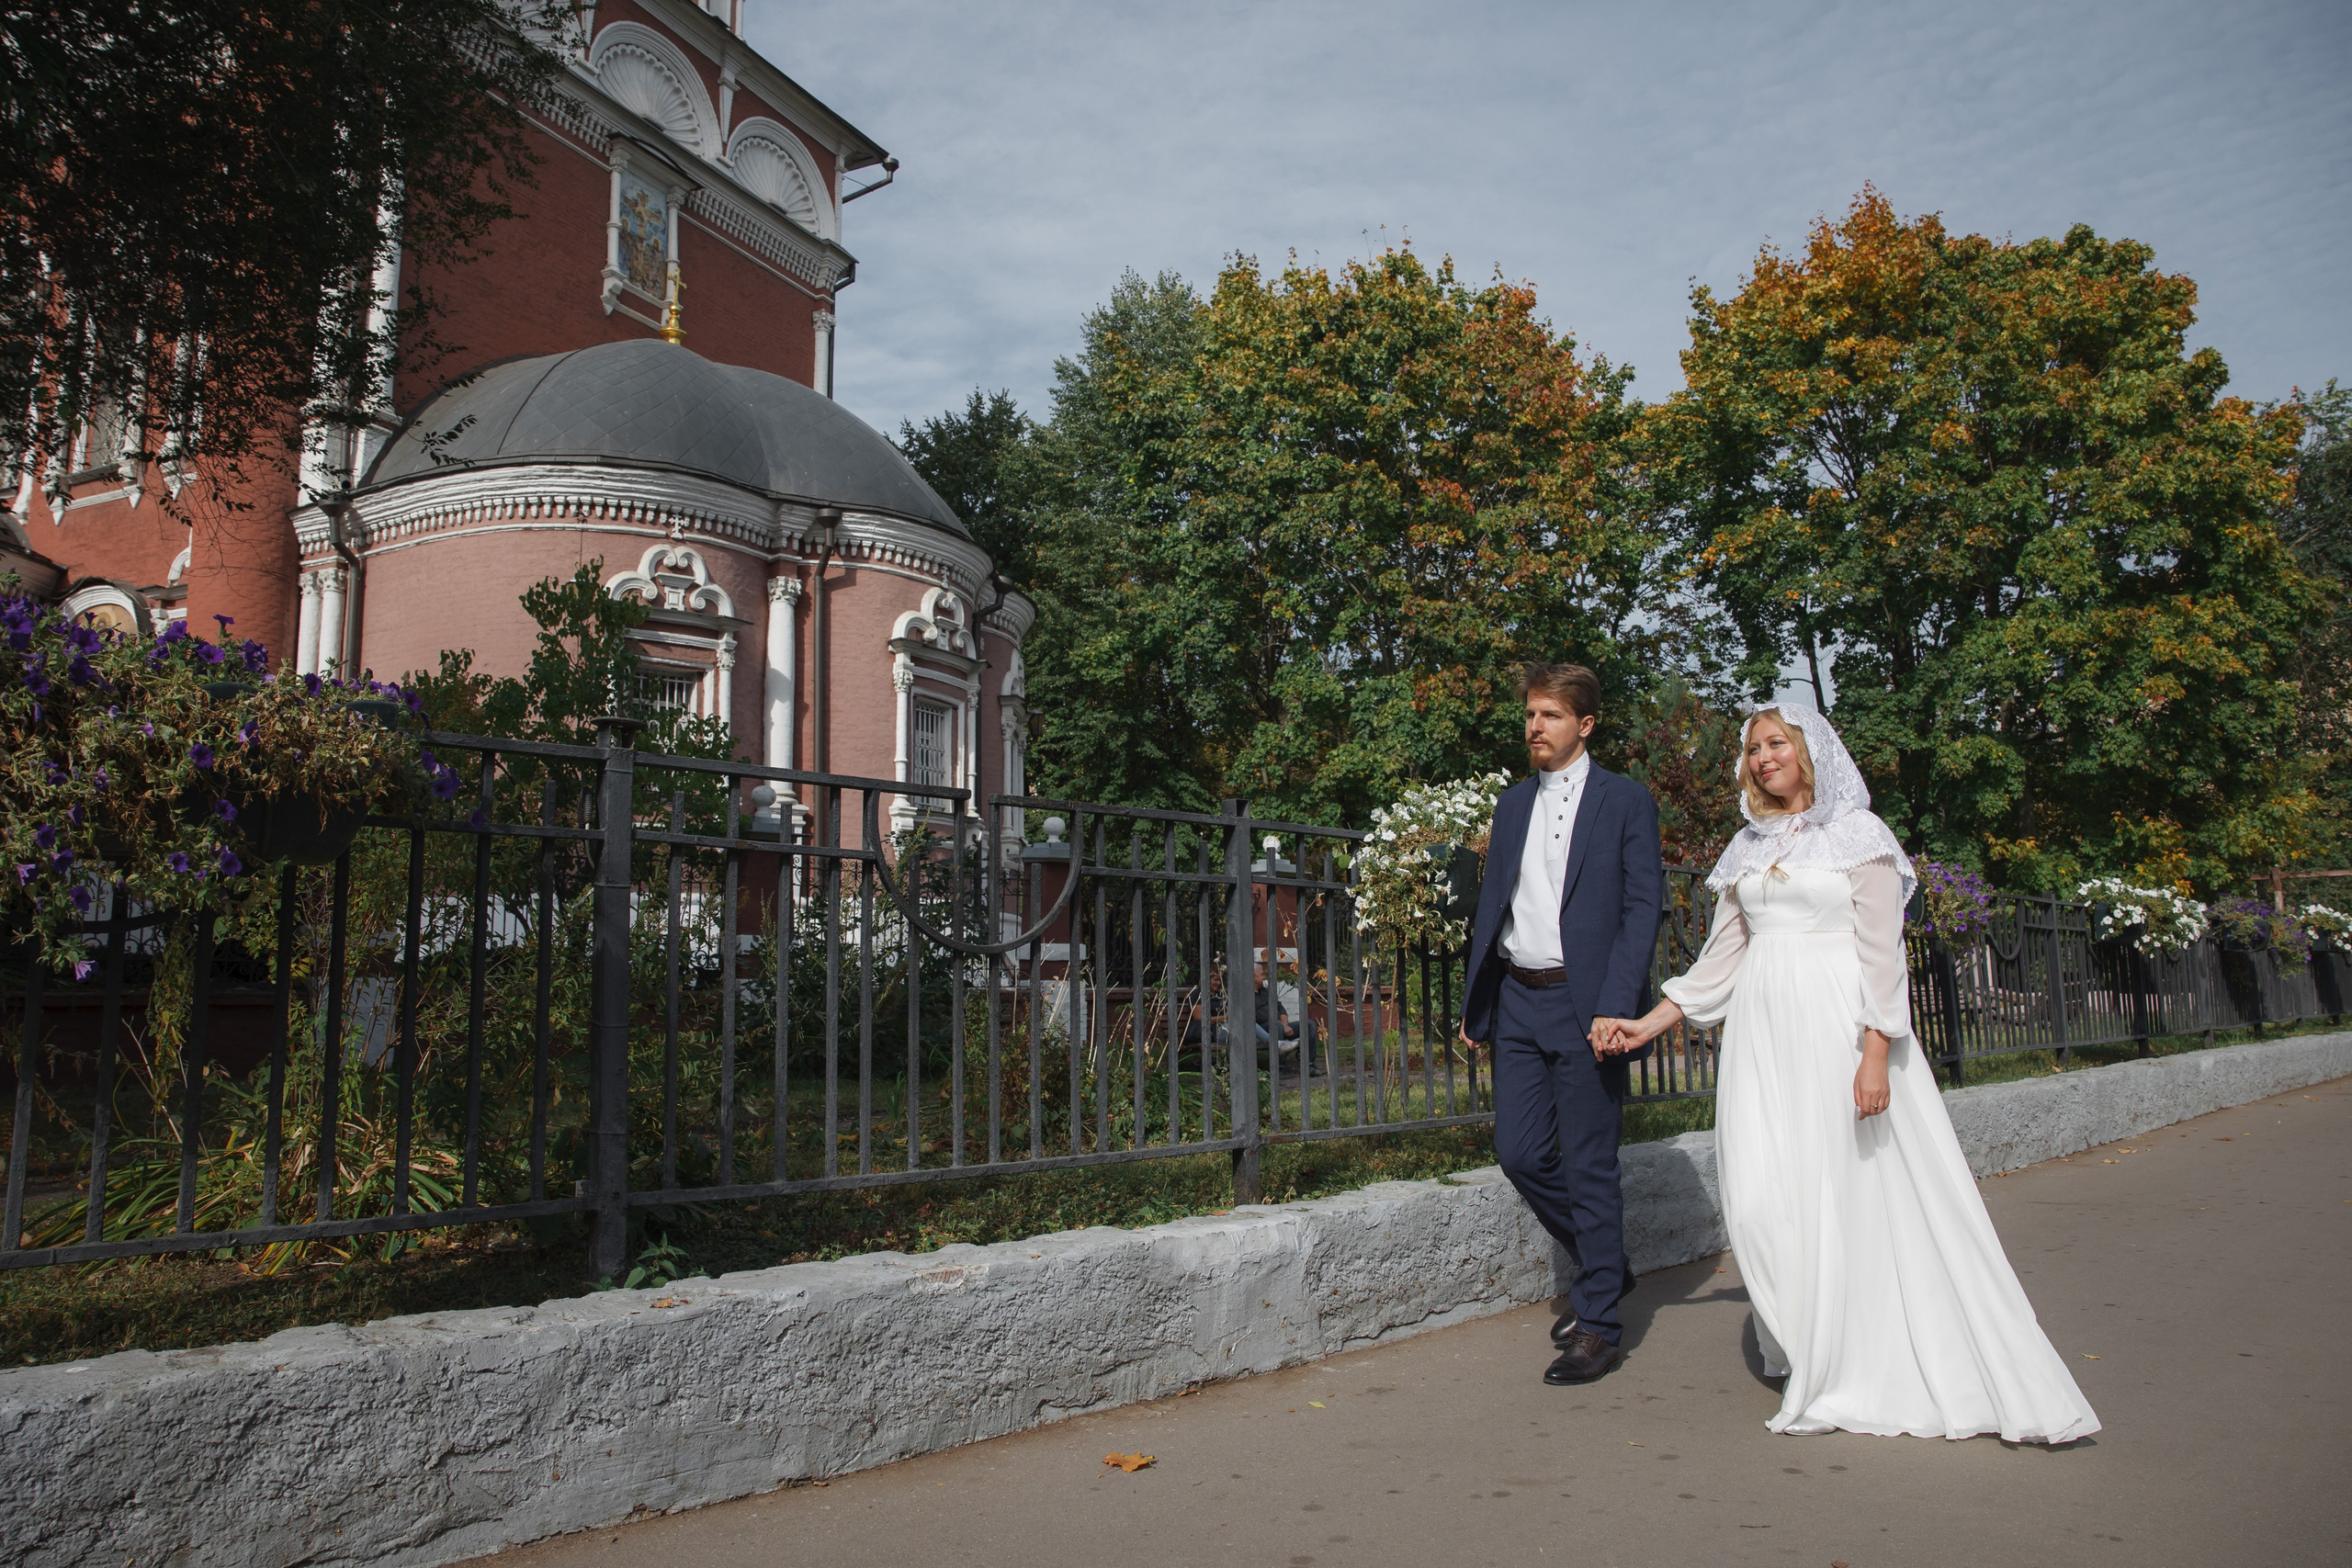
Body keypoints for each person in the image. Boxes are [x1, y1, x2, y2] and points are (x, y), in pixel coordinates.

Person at [1596, 704, 2100, 1442]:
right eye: (1753, 747)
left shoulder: (1859, 835)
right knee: (1762, 1199)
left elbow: (1881, 953)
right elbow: (1721, 959)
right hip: (1763, 1042)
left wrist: (1875, 1054)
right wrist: (1647, 1024)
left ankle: (1849, 1360)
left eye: (1776, 743)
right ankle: (1812, 1339)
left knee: (1847, 1194)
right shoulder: (1746, 846)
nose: (1763, 757)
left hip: (1840, 1034)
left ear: (1810, 751)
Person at [1459, 662, 1662, 1385]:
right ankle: (1606, 1265)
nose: (1535, 726)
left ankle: (1598, 1324)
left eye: (1550, 714)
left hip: (1588, 1003)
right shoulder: (1513, 803)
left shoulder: (1624, 800)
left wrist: (1617, 1003)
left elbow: (1642, 908)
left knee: (1588, 1160)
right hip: (1519, 997)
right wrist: (1478, 1002)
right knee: (1519, 1153)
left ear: (1585, 723)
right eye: (1530, 714)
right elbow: (1497, 904)